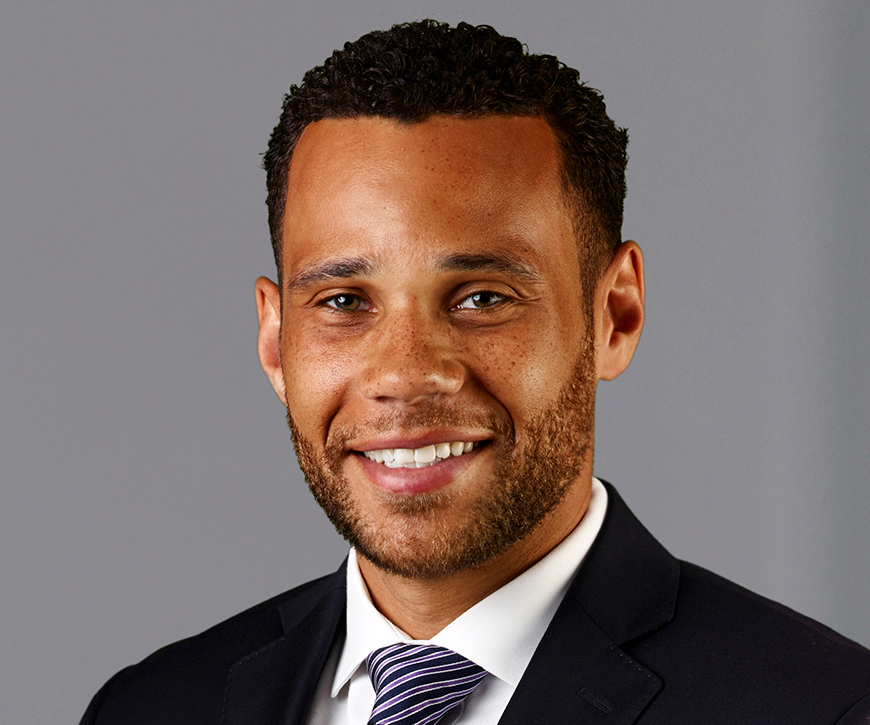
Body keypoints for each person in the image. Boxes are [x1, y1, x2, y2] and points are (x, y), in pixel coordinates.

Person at [81, 20, 870, 724]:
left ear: (615, 315)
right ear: (274, 338)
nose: (405, 374)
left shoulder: (819, 705)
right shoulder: (152, 706)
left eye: (482, 296)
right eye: (346, 300)